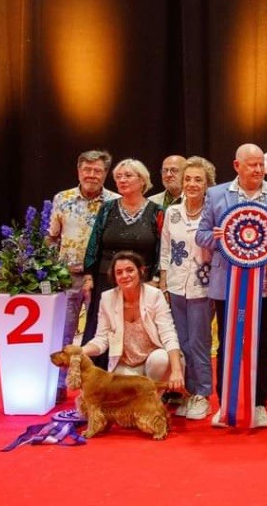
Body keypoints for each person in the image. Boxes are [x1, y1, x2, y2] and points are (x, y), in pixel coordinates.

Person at [196, 144, 267, 428]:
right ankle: (225, 404)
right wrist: (216, 237)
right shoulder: (216, 195)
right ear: (236, 165)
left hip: (265, 285)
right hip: (227, 284)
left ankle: (259, 404)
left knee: (263, 345)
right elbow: (201, 235)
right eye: (252, 164)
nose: (258, 169)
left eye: (261, 164)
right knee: (227, 343)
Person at [48, 150, 118, 400]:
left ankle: (97, 388)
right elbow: (52, 238)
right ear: (78, 171)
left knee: (99, 334)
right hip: (66, 277)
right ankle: (56, 387)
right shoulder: (62, 199)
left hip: (100, 279)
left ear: (105, 174)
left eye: (97, 170)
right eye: (87, 169)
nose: (92, 175)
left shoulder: (114, 202)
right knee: (63, 334)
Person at [82, 159, 163, 370]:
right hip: (106, 280)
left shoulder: (157, 211)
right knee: (103, 330)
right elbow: (94, 243)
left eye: (128, 175)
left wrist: (155, 277)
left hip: (141, 283)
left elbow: (162, 248)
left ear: (142, 180)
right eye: (118, 177)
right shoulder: (107, 209)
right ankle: (99, 382)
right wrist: (89, 275)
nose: (122, 180)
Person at [158, 156, 216, 420]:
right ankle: (187, 392)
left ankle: (202, 394)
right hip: (175, 286)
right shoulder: (172, 213)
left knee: (199, 343)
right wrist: (163, 281)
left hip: (202, 287)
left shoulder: (213, 212)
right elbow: (166, 248)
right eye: (188, 179)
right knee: (181, 342)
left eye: (198, 180)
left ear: (207, 185)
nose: (192, 184)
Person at [81, 251, 184, 390]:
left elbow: (168, 334)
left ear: (141, 271)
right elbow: (102, 339)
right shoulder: (107, 298)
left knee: (160, 359)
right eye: (119, 272)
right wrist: (80, 351)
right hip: (126, 365)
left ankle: (154, 399)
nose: (125, 276)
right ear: (114, 276)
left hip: (153, 361)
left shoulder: (155, 295)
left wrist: (176, 371)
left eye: (130, 270)